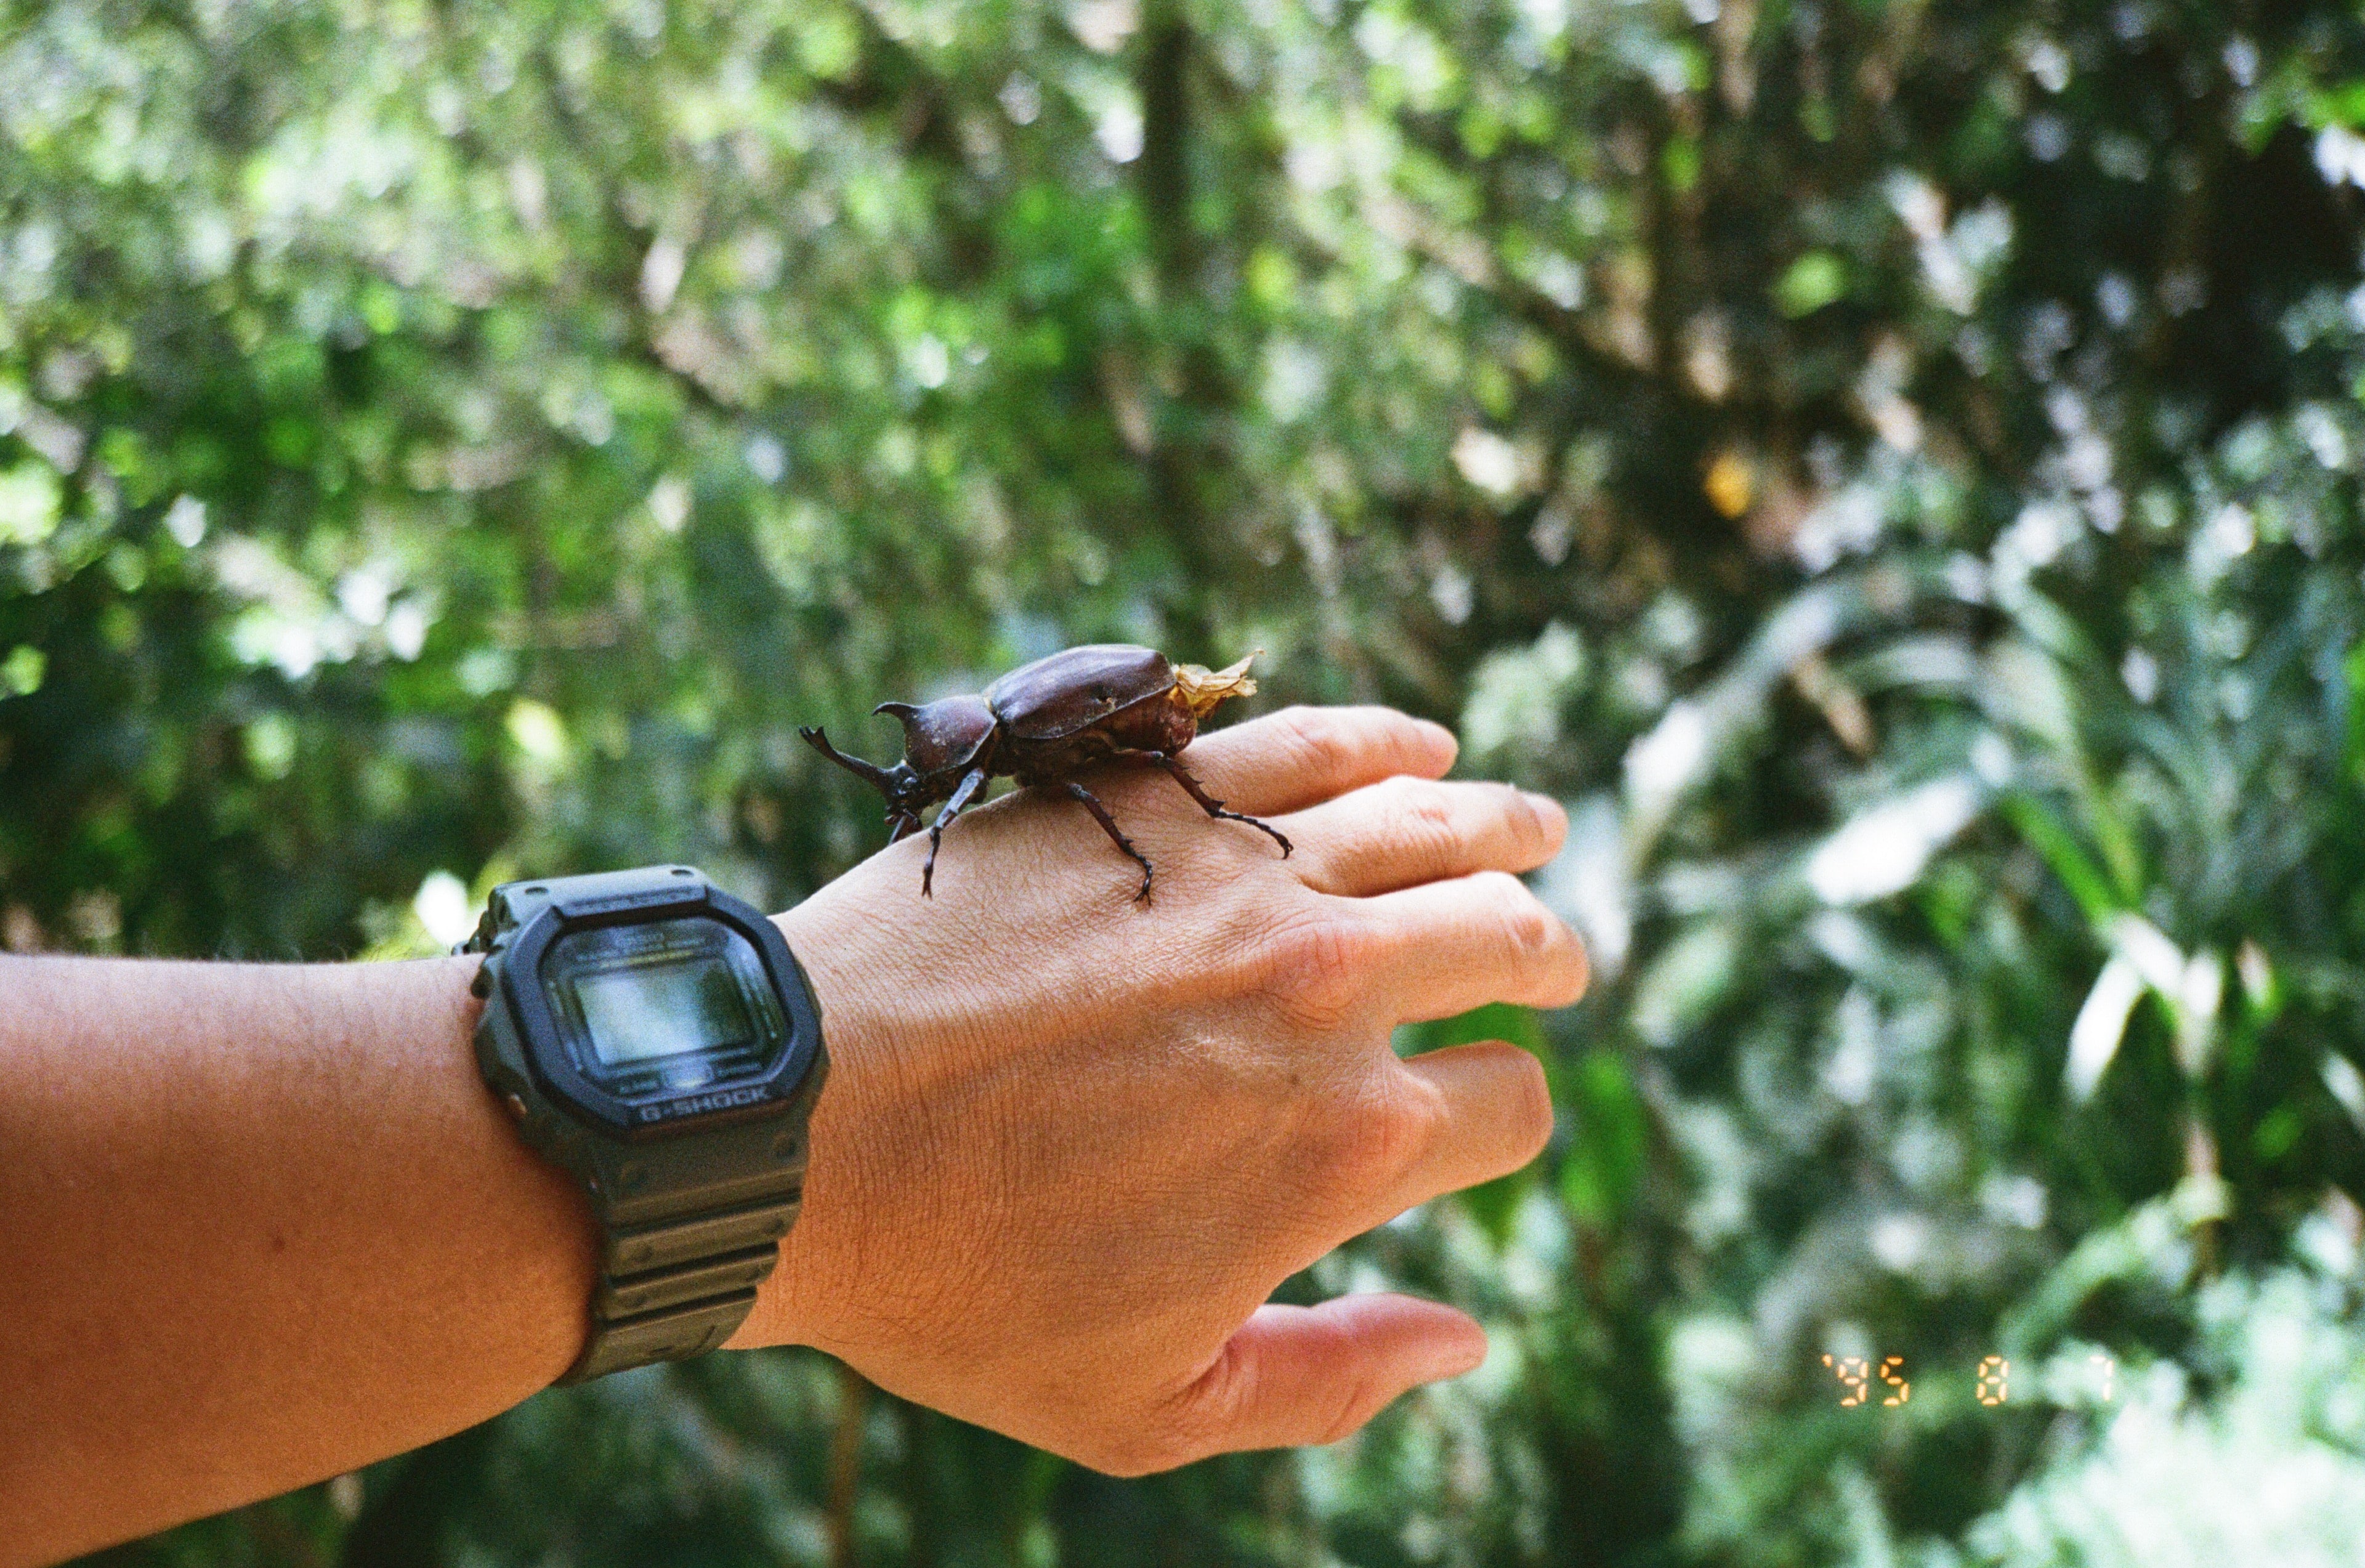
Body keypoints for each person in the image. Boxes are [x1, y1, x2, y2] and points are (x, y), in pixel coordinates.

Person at [1, 705, 1587, 1566]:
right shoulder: (973, 779)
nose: (915, 794)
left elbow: (1085, 780)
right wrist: (857, 1133)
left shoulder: (1022, 759)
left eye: (922, 776)